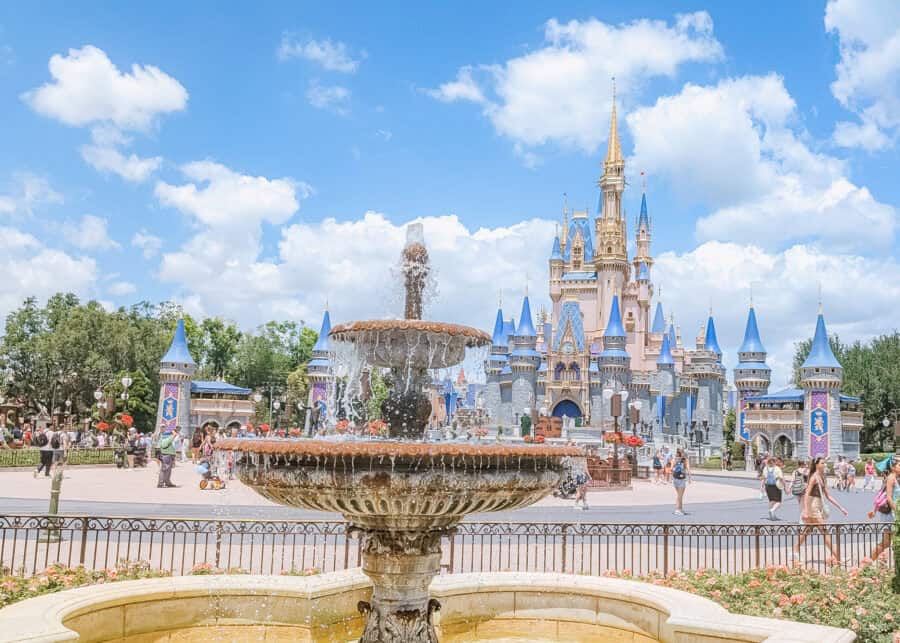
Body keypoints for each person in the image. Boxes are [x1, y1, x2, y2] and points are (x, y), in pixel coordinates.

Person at [792, 456, 849, 566]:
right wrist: (805, 511)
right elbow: (807, 493)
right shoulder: (814, 477)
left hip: (818, 506)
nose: (825, 465)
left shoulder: (822, 477)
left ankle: (794, 551)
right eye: (823, 463)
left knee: (807, 531)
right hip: (813, 507)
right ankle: (838, 557)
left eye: (825, 463)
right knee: (825, 532)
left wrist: (840, 507)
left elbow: (828, 496)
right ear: (817, 464)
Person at [867, 456, 900, 563]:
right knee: (886, 543)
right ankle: (867, 563)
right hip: (891, 514)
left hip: (893, 513)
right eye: (899, 465)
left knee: (889, 542)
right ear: (893, 467)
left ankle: (869, 563)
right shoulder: (891, 478)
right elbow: (889, 498)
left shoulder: (895, 478)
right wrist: (897, 511)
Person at [672, 448, 690, 516]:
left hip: (675, 478)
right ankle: (678, 509)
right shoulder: (685, 460)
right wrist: (690, 478)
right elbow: (688, 469)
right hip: (681, 479)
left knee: (679, 495)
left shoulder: (674, 459)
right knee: (680, 496)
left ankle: (680, 509)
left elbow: (671, 468)